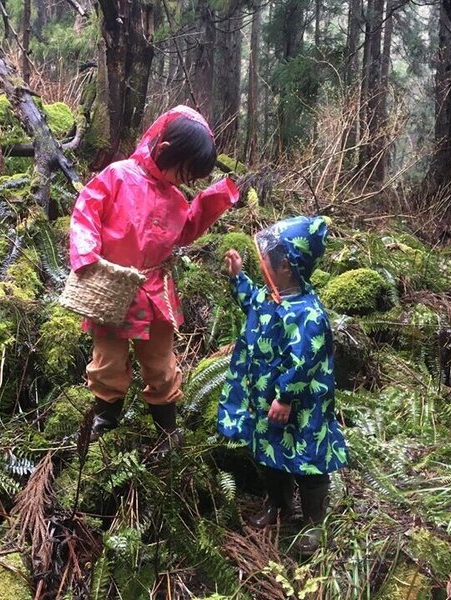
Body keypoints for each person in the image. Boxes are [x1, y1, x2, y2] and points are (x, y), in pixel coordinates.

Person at [69, 105, 239, 451]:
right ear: (163, 151)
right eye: (184, 172)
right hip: (112, 288)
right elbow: (86, 211)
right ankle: (106, 418)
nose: (184, 182)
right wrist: (87, 256)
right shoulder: (117, 176)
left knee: (161, 360)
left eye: (191, 178)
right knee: (108, 359)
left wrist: (213, 199)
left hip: (155, 292)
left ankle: (166, 429)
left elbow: (185, 231)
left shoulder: (176, 198)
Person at [217, 216, 348, 555]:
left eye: (269, 262)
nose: (264, 267)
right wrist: (238, 277)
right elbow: (251, 303)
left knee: (308, 462)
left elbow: (304, 360)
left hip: (300, 407)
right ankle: (278, 504)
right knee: (268, 455)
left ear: (287, 267)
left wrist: (286, 396)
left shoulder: (308, 313)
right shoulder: (269, 296)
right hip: (266, 400)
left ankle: (314, 521)